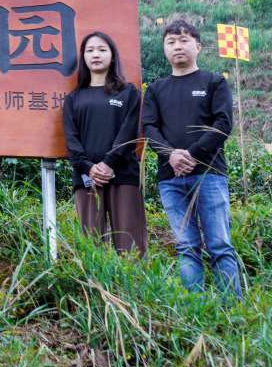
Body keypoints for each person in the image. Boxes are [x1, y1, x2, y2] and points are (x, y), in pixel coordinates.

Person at [142, 19, 242, 297]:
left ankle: (232, 308)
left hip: (209, 174)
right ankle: (194, 309)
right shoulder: (156, 89)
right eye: (171, 42)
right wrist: (171, 155)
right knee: (186, 247)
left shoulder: (214, 82)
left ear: (198, 46)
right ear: (164, 49)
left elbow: (223, 123)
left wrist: (192, 153)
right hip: (170, 178)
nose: (177, 46)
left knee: (220, 245)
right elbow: (149, 128)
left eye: (184, 40)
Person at [62, 31, 147, 254]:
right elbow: (72, 141)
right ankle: (95, 280)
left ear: (112, 55)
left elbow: (129, 132)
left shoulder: (128, 93)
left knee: (130, 246)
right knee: (91, 247)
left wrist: (109, 163)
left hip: (124, 175)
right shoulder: (73, 99)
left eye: (102, 49)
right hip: (86, 178)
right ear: (83, 57)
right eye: (90, 50)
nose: (96, 55)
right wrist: (89, 168)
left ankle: (132, 279)